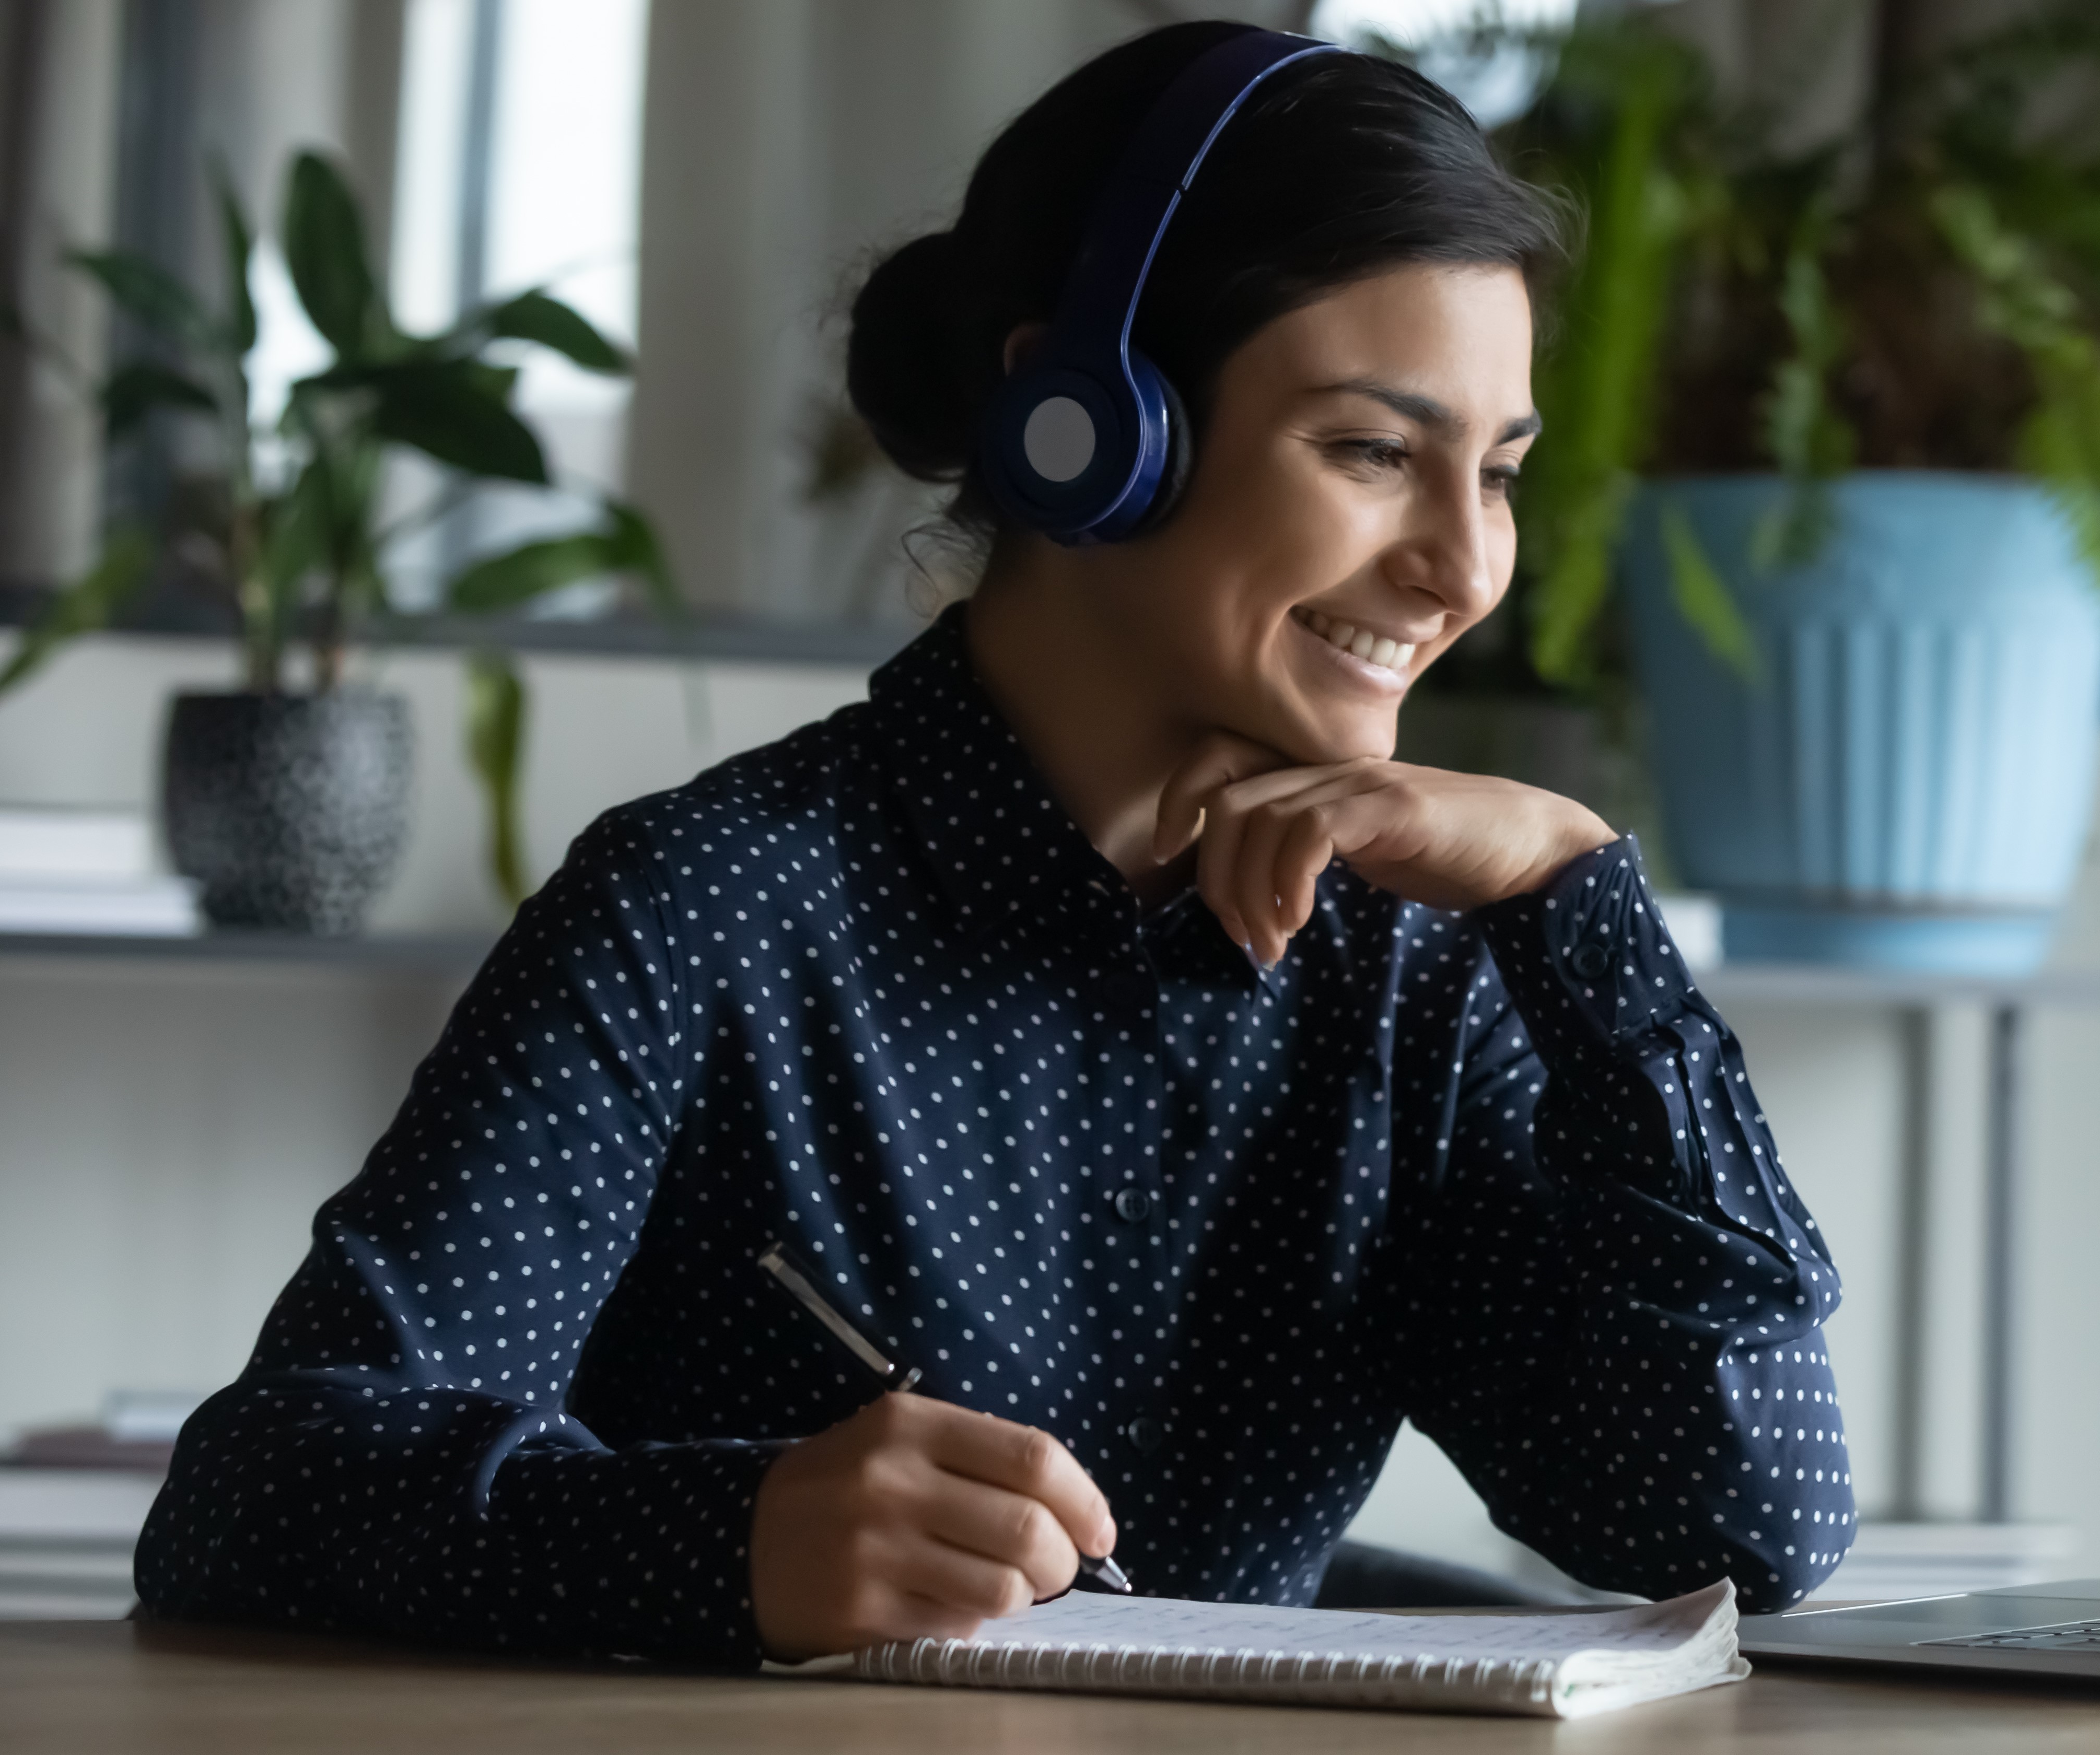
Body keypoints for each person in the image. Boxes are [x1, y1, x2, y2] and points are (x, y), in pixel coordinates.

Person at [136, 21, 1854, 1665]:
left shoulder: (1416, 966)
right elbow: (257, 1497)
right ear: (1086, 428)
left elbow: (1747, 1521)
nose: (1463, 568)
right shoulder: (707, 907)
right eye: (1372, 451)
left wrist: (1574, 896)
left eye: (1499, 474)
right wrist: (733, 1542)